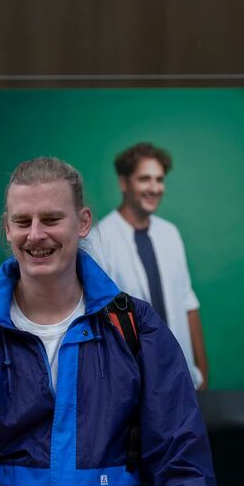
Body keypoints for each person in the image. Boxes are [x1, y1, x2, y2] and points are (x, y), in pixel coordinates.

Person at [0, 157, 216, 486]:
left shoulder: (134, 328)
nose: (36, 235)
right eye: (23, 221)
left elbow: (178, 442)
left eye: (51, 219)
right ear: (6, 228)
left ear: (82, 223)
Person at [86, 142, 209, 390]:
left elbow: (188, 302)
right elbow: (93, 320)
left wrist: (202, 372)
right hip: (130, 381)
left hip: (178, 375)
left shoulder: (170, 233)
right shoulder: (98, 241)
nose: (154, 188)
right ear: (124, 183)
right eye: (145, 179)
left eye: (159, 179)